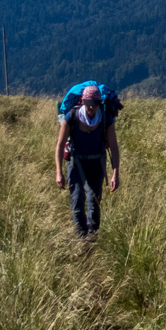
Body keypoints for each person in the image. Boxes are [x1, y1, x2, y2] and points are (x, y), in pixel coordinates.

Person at [54, 84, 120, 236]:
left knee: (94, 202)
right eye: (88, 104)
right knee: (77, 200)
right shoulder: (72, 117)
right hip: (75, 163)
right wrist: (59, 172)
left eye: (95, 104)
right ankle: (80, 236)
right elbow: (60, 145)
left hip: (96, 164)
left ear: (99, 103)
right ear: (83, 101)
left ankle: (91, 237)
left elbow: (114, 148)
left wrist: (115, 173)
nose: (91, 108)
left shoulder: (105, 118)